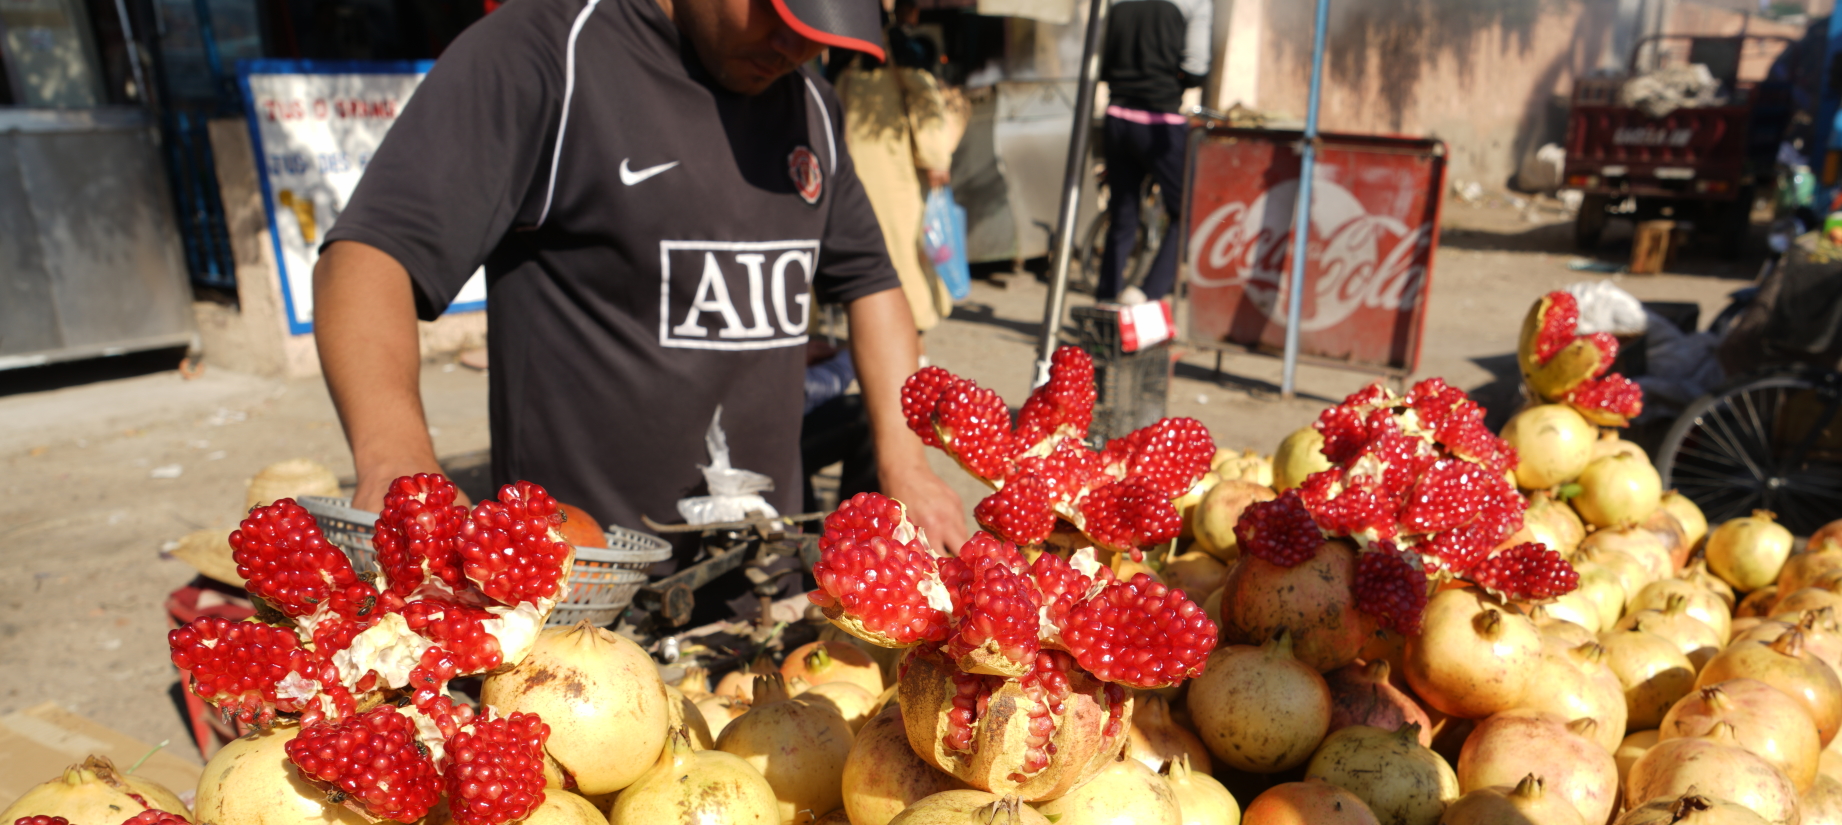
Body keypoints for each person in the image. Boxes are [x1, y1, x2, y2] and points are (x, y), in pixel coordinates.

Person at [313, 0, 971, 561]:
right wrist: (397, 456)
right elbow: (372, 253)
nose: (793, 45)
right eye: (778, 11)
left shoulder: (812, 107)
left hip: (762, 573)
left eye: (818, 27)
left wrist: (905, 461)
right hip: (578, 585)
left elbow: (870, 282)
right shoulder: (546, 53)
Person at [833, 4, 967, 334]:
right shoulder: (901, 48)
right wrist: (936, 158)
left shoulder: (841, 52)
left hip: (853, 174)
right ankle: (911, 336)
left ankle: (876, 335)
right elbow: (926, 106)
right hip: (896, 174)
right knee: (903, 254)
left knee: (871, 255)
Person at [1095, 0, 1212, 307]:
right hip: (1160, 122)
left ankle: (1106, 301)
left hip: (1117, 117)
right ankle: (1147, 295)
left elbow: (1103, 62)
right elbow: (1196, 69)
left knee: (1122, 214)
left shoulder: (1117, 2)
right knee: (1188, 211)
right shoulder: (1194, 2)